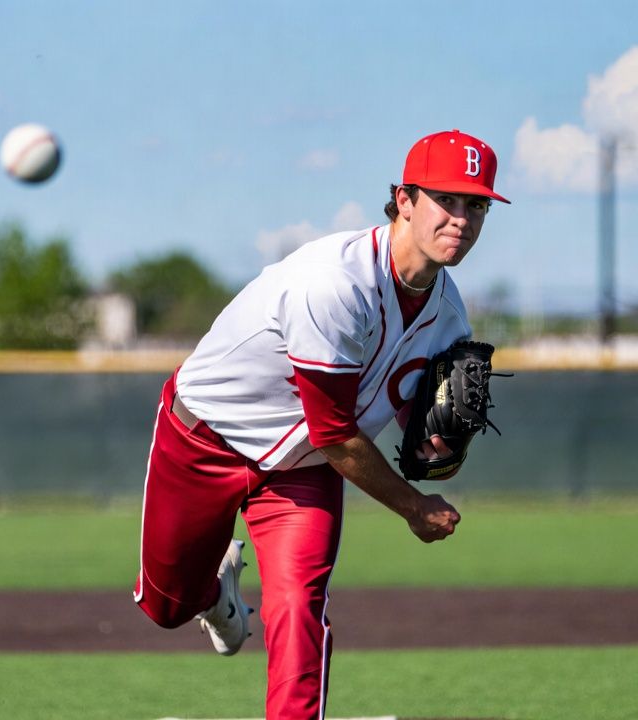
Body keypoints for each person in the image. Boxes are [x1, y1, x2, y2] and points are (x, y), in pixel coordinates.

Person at [133, 129, 509, 719]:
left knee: (298, 606)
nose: (461, 218)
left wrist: (434, 440)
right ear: (404, 200)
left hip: (302, 470)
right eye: (447, 199)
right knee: (166, 606)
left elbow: (403, 420)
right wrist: (413, 504)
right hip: (206, 439)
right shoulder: (335, 283)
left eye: (476, 204)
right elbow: (335, 432)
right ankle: (213, 592)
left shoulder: (449, 316)